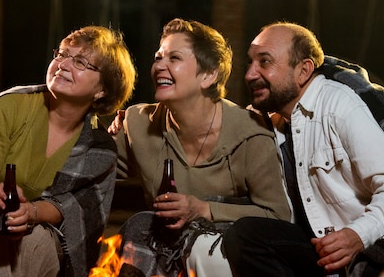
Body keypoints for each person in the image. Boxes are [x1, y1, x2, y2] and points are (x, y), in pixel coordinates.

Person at [107, 18, 290, 277]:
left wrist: (203, 209)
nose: (160, 65)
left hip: (228, 257)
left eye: (174, 58)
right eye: (158, 57)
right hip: (166, 250)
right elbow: (98, 171)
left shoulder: (250, 132)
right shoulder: (136, 123)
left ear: (208, 75)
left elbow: (277, 215)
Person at [0, 25, 137, 277]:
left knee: (34, 239)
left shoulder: (99, 147)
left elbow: (74, 209)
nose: (63, 64)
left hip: (46, 238)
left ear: (102, 90)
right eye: (61, 54)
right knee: (0, 225)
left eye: (81, 62)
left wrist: (31, 213)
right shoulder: (12, 105)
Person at [223, 21, 384, 277]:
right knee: (245, 236)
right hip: (319, 247)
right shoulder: (270, 120)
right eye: (250, 62)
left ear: (303, 70)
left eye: (265, 62)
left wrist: (357, 235)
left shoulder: (339, 106)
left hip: (368, 245)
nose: (250, 74)